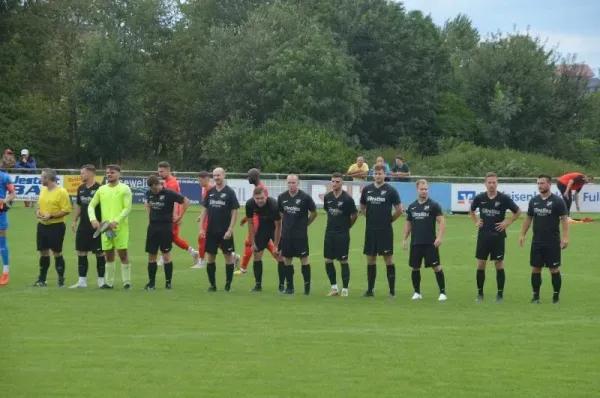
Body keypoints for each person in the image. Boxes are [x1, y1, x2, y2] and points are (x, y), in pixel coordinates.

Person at [469, 172, 522, 302]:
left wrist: (507, 222)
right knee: (481, 264)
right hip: (483, 236)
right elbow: (471, 209)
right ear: (485, 183)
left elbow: (518, 211)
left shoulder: (504, 198)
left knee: (498, 264)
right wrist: (476, 220)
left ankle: (500, 295)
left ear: (497, 183)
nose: (491, 185)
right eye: (489, 182)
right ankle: (480, 294)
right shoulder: (480, 197)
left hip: (498, 236)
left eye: (494, 182)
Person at [519, 174, 569, 304]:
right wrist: (522, 234)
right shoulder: (534, 201)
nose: (540, 186)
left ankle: (556, 297)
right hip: (537, 241)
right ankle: (536, 297)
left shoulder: (558, 201)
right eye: (538, 183)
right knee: (535, 268)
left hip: (552, 242)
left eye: (542, 183)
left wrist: (565, 237)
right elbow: (528, 218)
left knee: (554, 269)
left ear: (549, 184)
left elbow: (564, 219)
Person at [359, 164, 403, 298]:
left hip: (385, 231)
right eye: (376, 174)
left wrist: (388, 221)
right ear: (373, 175)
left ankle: (392, 291)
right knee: (370, 259)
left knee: (388, 259)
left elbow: (399, 210)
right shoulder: (367, 189)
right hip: (371, 230)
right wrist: (371, 217)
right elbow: (362, 206)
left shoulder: (391, 190)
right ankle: (370, 290)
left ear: (385, 175)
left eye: (380, 174)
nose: (378, 176)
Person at [88, 165, 133, 289]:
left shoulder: (125, 189)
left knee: (123, 254)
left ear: (119, 174)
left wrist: (116, 221)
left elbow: (127, 208)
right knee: (108, 255)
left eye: (112, 172)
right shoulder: (101, 189)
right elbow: (91, 205)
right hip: (105, 228)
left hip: (120, 228)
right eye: (107, 173)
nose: (109, 175)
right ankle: (109, 282)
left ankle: (127, 282)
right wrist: (93, 219)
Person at [402, 179, 447, 301]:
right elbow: (408, 224)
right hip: (416, 242)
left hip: (430, 243)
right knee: (415, 267)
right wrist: (404, 239)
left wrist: (439, 237)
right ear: (417, 190)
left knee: (436, 267)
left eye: (426, 189)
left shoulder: (433, 205)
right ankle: (417, 292)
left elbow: (442, 221)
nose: (424, 191)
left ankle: (442, 293)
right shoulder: (412, 206)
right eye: (422, 189)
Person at [144, 174, 190, 290]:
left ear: (158, 184)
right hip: (153, 228)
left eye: (154, 189)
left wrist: (180, 216)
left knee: (166, 255)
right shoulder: (149, 193)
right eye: (151, 189)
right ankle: (151, 283)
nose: (153, 191)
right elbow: (148, 204)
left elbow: (186, 201)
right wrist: (150, 216)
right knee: (151, 256)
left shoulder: (169, 193)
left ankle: (168, 283)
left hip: (166, 227)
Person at [198, 167, 239, 292]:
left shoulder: (230, 192)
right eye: (215, 175)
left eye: (219, 175)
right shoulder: (210, 192)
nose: (216, 177)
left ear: (223, 175)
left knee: (228, 256)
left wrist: (230, 229)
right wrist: (201, 228)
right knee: (210, 257)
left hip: (225, 231)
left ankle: (228, 285)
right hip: (211, 230)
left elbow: (234, 211)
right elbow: (204, 210)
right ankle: (212, 285)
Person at [278, 174, 318, 295]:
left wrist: (305, 224)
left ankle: (307, 288)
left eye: (293, 183)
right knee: (287, 259)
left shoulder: (305, 197)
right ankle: (290, 287)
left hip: (300, 235)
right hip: (286, 235)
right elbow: (280, 213)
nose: (291, 185)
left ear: (298, 183)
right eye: (289, 183)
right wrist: (285, 224)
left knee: (304, 259)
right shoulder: (282, 197)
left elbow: (314, 212)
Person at [70, 165, 107, 289]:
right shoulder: (80, 188)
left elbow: (106, 208)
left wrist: (102, 224)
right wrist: (74, 221)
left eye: (82, 173)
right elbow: (79, 206)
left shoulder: (101, 189)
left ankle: (101, 281)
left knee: (100, 253)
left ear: (91, 174)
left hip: (97, 227)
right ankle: (82, 281)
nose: (80, 175)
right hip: (83, 226)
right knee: (81, 252)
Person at [157, 161, 200, 267]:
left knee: (167, 236)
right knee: (173, 238)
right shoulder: (167, 182)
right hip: (170, 214)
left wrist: (176, 215)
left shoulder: (171, 183)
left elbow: (175, 200)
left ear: (168, 170)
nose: (159, 174)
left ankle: (164, 257)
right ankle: (193, 252)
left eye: (162, 171)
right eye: (159, 171)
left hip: (172, 215)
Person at [32, 169, 71, 287]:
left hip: (56, 226)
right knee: (43, 252)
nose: (40, 179)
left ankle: (61, 280)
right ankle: (42, 280)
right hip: (42, 225)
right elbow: (39, 205)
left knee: (57, 252)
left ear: (48, 179)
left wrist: (51, 216)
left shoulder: (62, 192)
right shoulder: (43, 189)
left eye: (42, 177)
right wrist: (38, 212)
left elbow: (66, 210)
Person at [235, 168, 278, 276]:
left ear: (254, 177)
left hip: (259, 221)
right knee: (265, 244)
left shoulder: (261, 189)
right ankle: (281, 261)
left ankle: (243, 269)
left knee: (250, 242)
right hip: (257, 219)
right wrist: (246, 218)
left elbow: (261, 209)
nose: (248, 178)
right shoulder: (259, 188)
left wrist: (249, 220)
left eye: (249, 176)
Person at [323, 172, 357, 297]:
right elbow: (328, 212)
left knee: (343, 260)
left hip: (342, 234)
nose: (334, 184)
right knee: (327, 260)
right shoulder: (327, 197)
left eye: (337, 182)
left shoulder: (347, 199)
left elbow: (354, 216)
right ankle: (334, 288)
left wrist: (346, 227)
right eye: (333, 181)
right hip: (329, 233)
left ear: (342, 183)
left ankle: (345, 289)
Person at [245, 186, 282, 292]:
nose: (260, 201)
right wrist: (253, 242)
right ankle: (258, 285)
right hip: (263, 228)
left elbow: (279, 225)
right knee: (256, 254)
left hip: (275, 228)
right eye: (257, 199)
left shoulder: (274, 205)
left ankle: (282, 286)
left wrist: (276, 245)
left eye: (262, 198)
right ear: (253, 198)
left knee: (280, 256)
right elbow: (250, 223)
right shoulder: (249, 204)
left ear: (266, 196)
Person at [194, 170, 213, 269]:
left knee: (201, 238)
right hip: (207, 218)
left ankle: (201, 262)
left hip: (210, 219)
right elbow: (206, 206)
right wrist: (201, 215)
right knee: (214, 240)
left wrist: (203, 217)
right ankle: (232, 255)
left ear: (206, 179)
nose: (199, 182)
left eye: (200, 181)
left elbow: (211, 207)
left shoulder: (210, 189)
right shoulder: (205, 188)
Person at [0, 170, 16, 285]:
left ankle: (5, 272)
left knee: (2, 243)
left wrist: (4, 200)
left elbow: (13, 193)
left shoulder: (4, 177)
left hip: (0, 215)